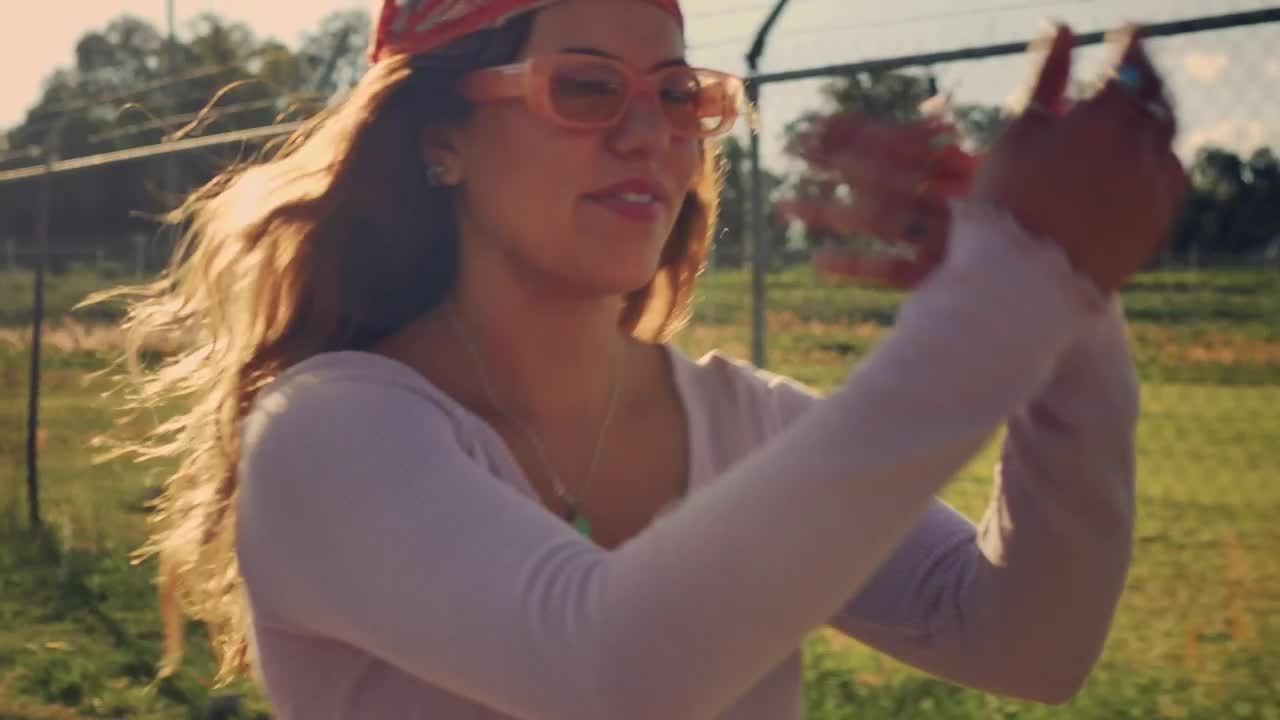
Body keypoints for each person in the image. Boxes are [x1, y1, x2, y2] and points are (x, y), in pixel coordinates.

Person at [101, 0, 1186, 717]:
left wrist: (1068, 315)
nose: (649, 134)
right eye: (583, 88)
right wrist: (1003, 297)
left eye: (676, 94)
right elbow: (608, 670)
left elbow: (1022, 644)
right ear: (441, 139)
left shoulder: (741, 418)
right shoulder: (328, 433)